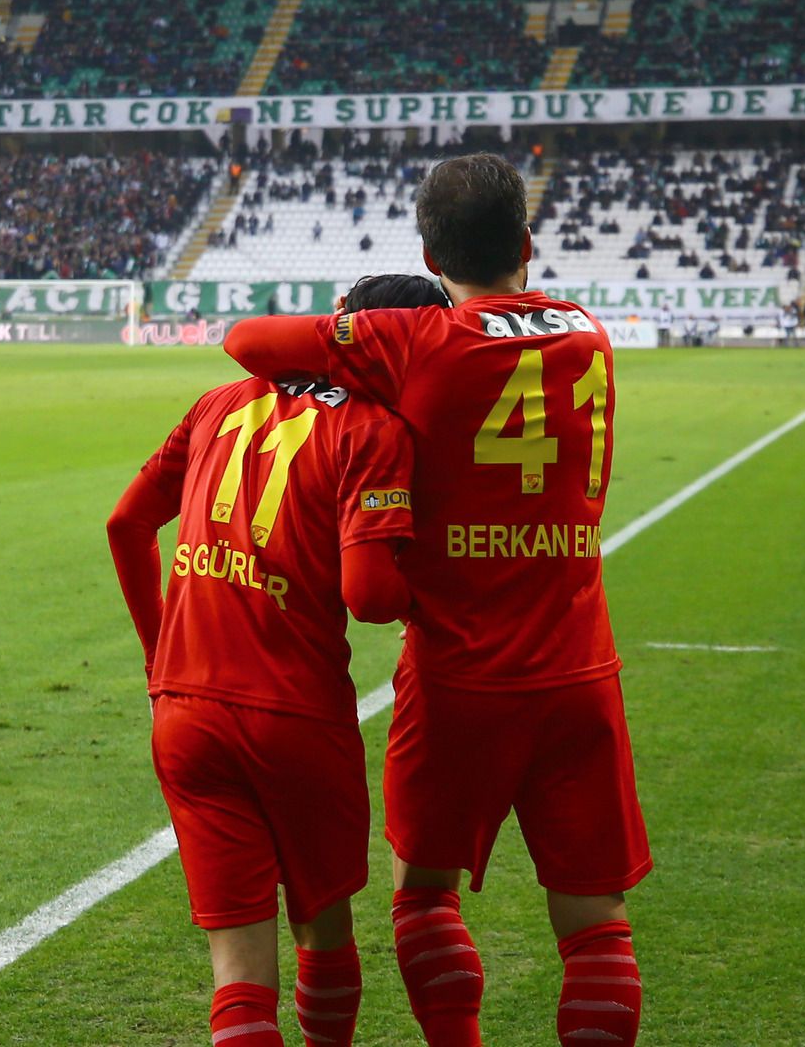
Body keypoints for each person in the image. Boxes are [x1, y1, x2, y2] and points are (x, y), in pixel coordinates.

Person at [224, 154, 650, 1047]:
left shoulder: (420, 341)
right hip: (579, 667)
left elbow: (248, 341)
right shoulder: (590, 332)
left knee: (423, 897)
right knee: (597, 927)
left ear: (427, 254)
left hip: (459, 672)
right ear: (527, 243)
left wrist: (358, 332)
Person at [107, 274, 429, 1047]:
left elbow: (126, 524)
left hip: (186, 712)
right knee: (324, 931)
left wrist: (159, 657)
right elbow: (369, 596)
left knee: (239, 975)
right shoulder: (374, 429)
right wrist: (433, 598)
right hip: (295, 714)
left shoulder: (219, 402)